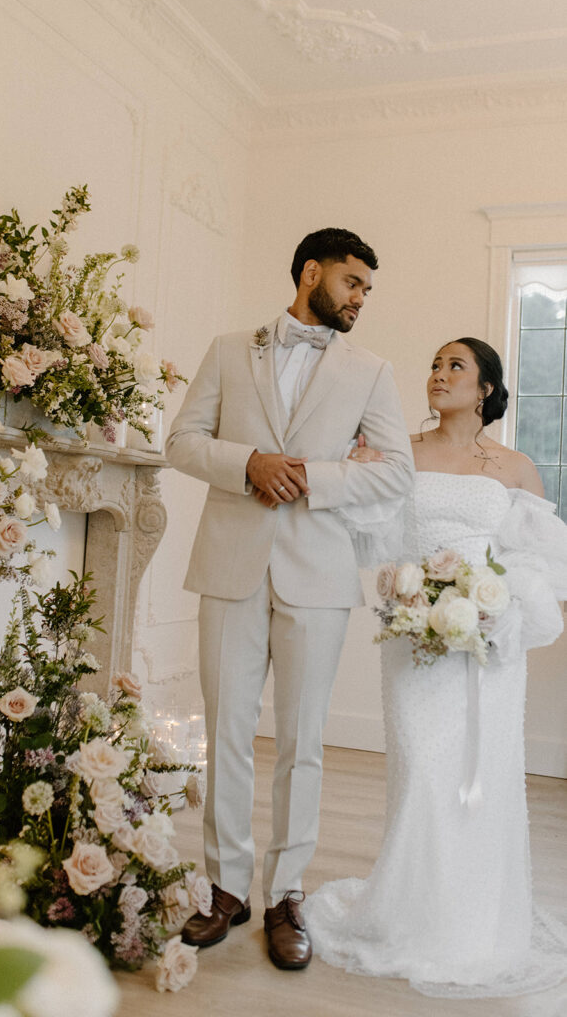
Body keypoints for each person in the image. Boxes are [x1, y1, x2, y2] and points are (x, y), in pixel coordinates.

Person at [164, 227, 414, 970]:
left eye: (366, 288)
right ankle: (225, 889)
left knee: (302, 744)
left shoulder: (369, 370)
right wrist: (248, 463)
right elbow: (181, 441)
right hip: (229, 567)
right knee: (228, 733)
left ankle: (286, 895)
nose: (360, 298)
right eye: (351, 282)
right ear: (310, 273)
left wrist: (311, 476)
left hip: (318, 572)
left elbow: (394, 471)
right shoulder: (226, 348)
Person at [304, 337, 567, 997]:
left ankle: (474, 922)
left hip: (485, 643)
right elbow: (372, 537)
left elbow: (539, 562)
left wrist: (498, 607)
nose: (437, 375)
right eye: (433, 365)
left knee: (478, 777)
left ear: (483, 389)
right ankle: (410, 915)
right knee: (422, 770)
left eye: (455, 367)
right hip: (414, 635)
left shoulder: (513, 467)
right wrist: (355, 469)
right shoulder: (404, 454)